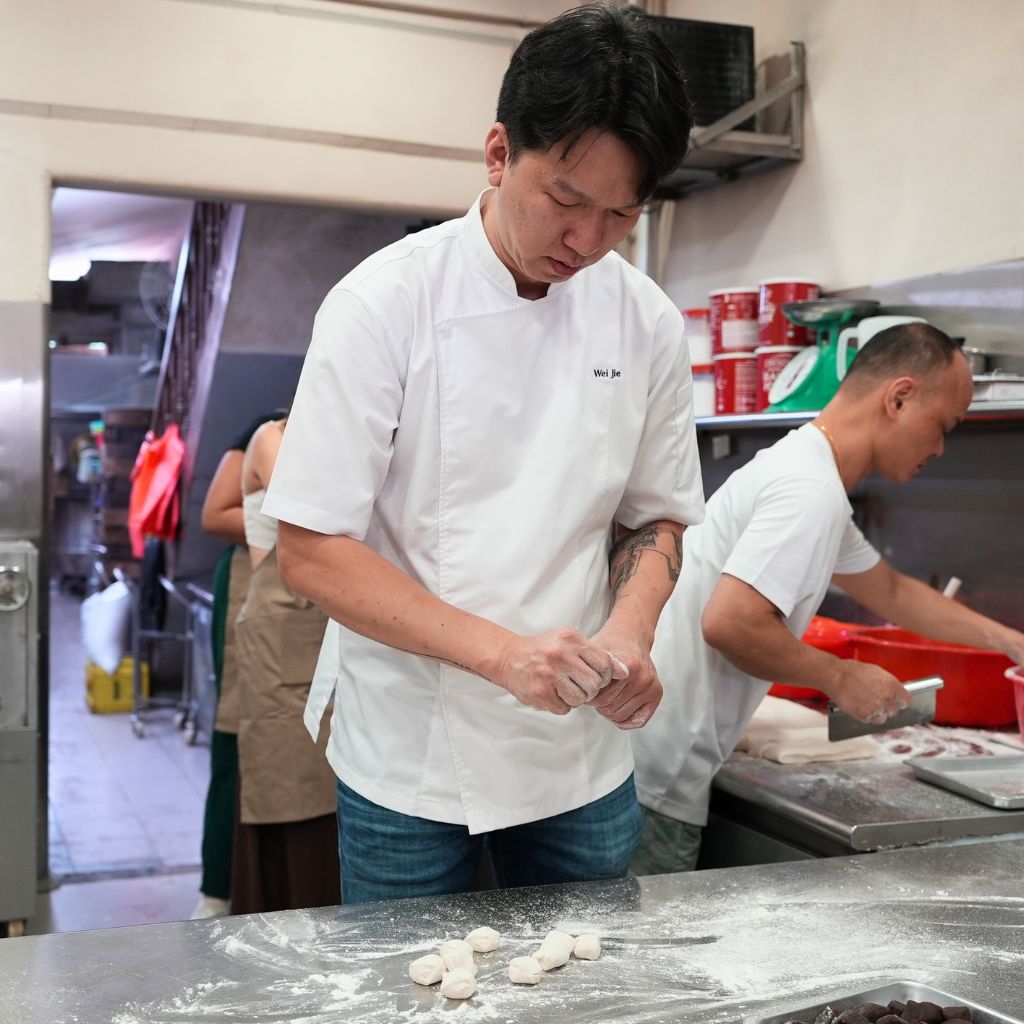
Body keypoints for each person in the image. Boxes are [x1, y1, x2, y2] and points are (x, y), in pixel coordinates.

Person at [264, 1, 704, 904]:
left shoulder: (646, 319)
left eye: (621, 215)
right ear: (499, 154)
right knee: (409, 992)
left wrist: (628, 634)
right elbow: (310, 551)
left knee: (593, 991)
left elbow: (656, 514)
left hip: (579, 756)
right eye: (567, 201)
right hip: (412, 759)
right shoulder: (383, 303)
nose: (589, 242)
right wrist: (505, 655)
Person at [630, 322, 1024, 874]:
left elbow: (889, 590)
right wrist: (841, 677)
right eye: (943, 427)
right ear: (900, 397)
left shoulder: (807, 470)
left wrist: (1010, 641)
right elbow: (731, 623)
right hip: (659, 778)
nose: (939, 448)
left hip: (645, 763)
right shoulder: (809, 489)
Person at [229, 417, 340, 914]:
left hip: (335, 621)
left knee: (336, 780)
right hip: (280, 631)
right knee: (289, 778)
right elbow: (308, 498)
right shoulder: (268, 438)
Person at [191, 412, 281, 919]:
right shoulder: (263, 429)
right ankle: (217, 890)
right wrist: (287, 522)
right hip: (255, 587)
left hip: (304, 605)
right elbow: (213, 515)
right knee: (237, 732)